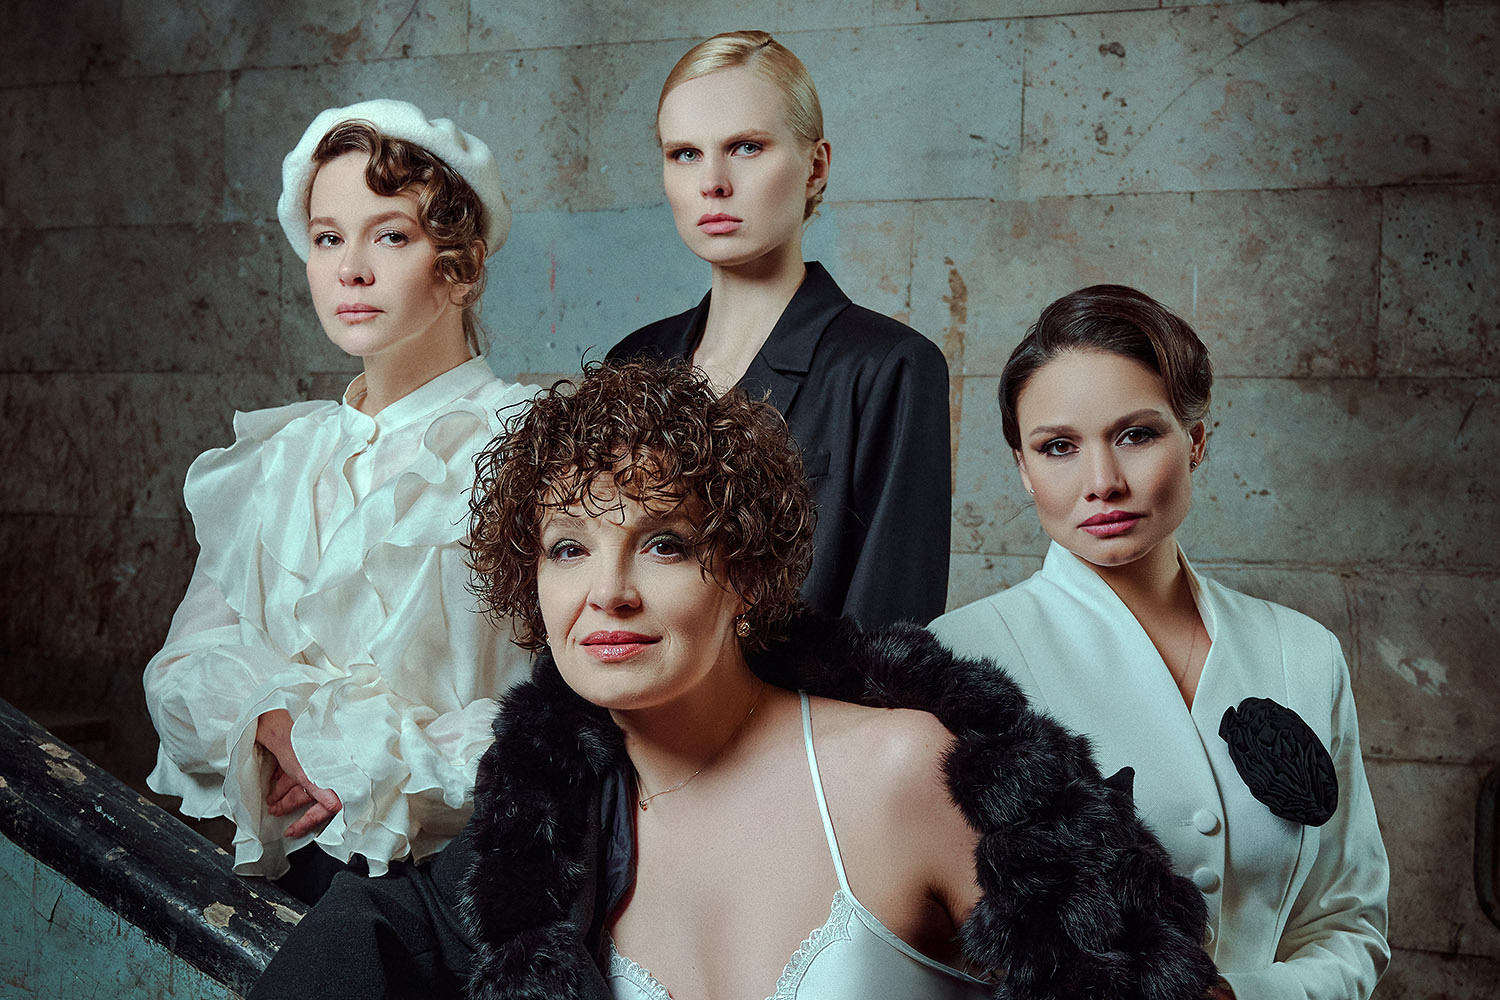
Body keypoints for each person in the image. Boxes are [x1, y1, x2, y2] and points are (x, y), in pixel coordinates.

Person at [250, 358, 1220, 1000]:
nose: (608, 592)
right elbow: (389, 935)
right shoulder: (558, 822)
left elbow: (1147, 977)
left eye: (664, 543)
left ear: (745, 576)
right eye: (568, 548)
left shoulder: (900, 769)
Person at [930, 286, 1390, 1000]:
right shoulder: (962, 659)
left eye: (1136, 435)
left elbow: (1349, 920)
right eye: (1058, 447)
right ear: (1022, 467)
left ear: (1196, 440)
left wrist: (1242, 997)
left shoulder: (1303, 652)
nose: (1102, 483)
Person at [143, 99, 535, 903]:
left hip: (468, 889)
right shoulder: (281, 459)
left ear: (461, 264)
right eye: (328, 238)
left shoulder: (532, 445)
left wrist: (349, 758)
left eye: (390, 235)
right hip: (289, 880)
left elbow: (565, 704)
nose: (350, 269)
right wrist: (273, 725)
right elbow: (179, 672)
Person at [608, 30, 951, 628]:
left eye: (746, 147)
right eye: (684, 153)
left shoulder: (889, 366)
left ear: (815, 167)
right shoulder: (632, 360)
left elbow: (892, 621)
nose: (712, 181)